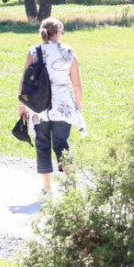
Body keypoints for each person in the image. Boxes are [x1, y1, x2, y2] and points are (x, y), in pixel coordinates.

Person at [18, 17, 85, 194]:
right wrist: (78, 107)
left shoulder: (34, 51)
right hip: (63, 105)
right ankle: (70, 184)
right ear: (57, 32)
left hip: (38, 105)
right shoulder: (69, 52)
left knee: (42, 144)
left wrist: (21, 105)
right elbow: (76, 83)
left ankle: (47, 187)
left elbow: (24, 80)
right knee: (61, 142)